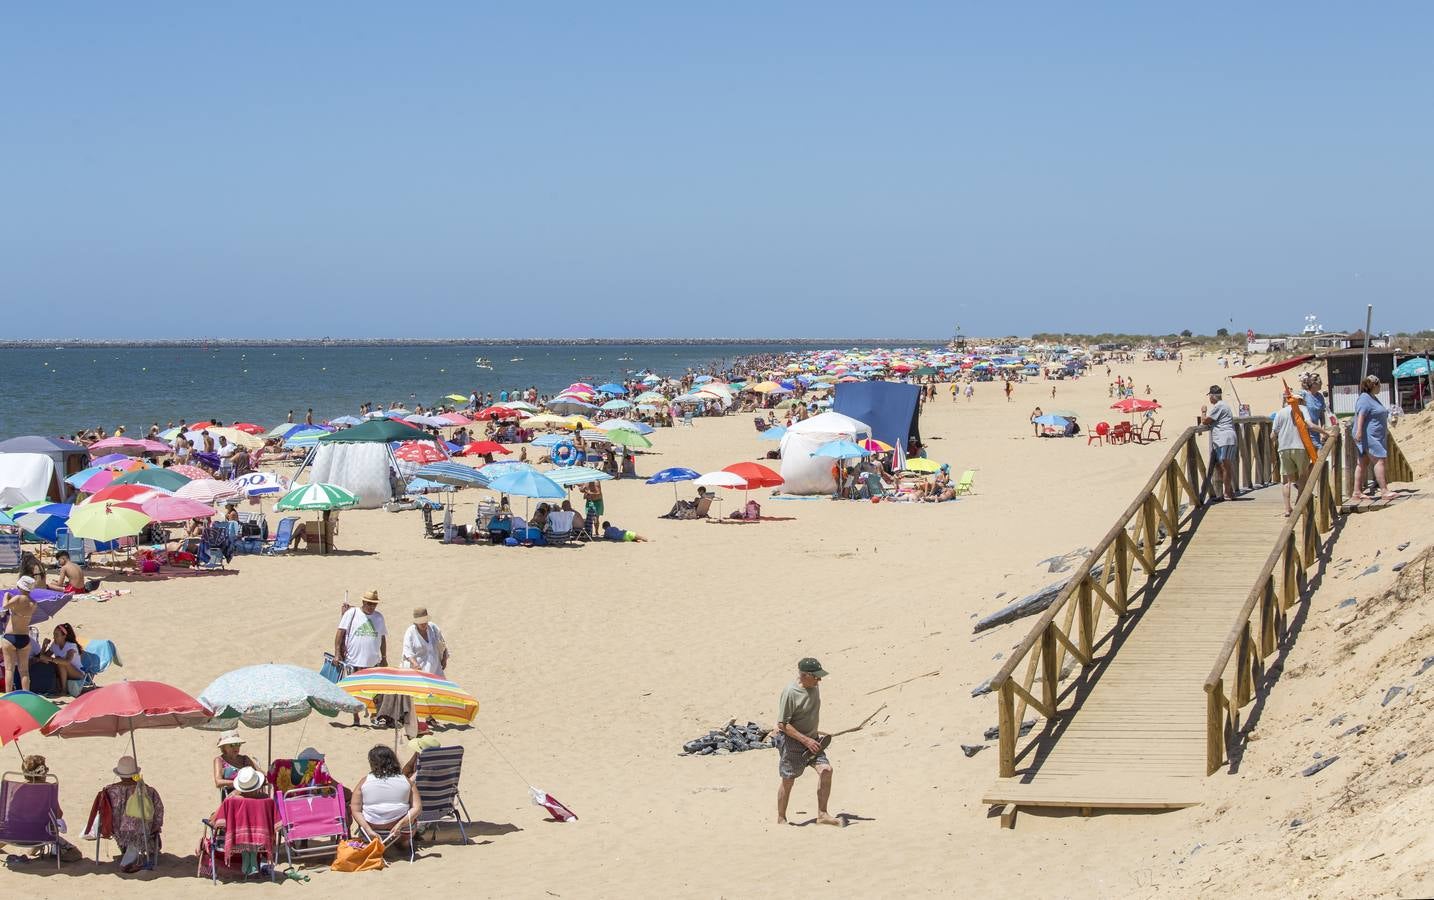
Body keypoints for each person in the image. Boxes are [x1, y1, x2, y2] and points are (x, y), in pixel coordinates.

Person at [775, 657, 840, 827]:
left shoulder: (815, 686)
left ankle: (822, 814)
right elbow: (783, 724)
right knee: (788, 780)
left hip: (814, 741)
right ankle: (781, 819)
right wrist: (805, 740)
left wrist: (812, 740)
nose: (820, 680)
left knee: (827, 770)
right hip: (793, 743)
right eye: (816, 677)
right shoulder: (790, 692)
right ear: (804, 676)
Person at [95, 755, 164, 872]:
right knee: (142, 824)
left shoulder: (108, 791)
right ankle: (139, 847)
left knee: (129, 829)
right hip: (140, 830)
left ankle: (125, 845)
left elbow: (102, 812)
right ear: (134, 773)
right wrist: (156, 827)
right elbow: (158, 812)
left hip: (115, 829)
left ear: (119, 774)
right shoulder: (147, 791)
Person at [350, 745, 422, 853]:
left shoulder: (364, 781)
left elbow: (355, 809)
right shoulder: (406, 781)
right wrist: (400, 824)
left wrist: (368, 829)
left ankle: (371, 841)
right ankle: (404, 843)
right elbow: (417, 808)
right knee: (413, 819)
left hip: (373, 827)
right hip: (401, 828)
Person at [208, 766, 274, 876]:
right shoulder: (266, 800)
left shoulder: (231, 801)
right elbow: (273, 820)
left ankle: (246, 856)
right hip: (261, 840)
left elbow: (218, 822)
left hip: (237, 840)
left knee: (242, 833)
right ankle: (253, 858)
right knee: (253, 830)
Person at [336, 590, 387, 726]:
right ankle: (356, 718)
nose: (371, 606)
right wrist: (337, 653)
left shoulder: (379, 617)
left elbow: (382, 637)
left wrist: (384, 656)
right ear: (363, 602)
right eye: (369, 603)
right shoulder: (351, 614)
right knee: (355, 691)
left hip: (373, 661)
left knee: (375, 690)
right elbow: (340, 633)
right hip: (354, 660)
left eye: (374, 604)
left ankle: (375, 715)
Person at [1272, 396, 1323, 517]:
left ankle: (1287, 509)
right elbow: (1310, 425)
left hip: (1284, 448)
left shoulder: (1280, 413)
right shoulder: (1302, 408)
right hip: (1300, 446)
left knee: (1286, 481)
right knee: (1303, 476)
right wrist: (1325, 432)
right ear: (1299, 401)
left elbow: (1272, 435)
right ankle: (1299, 504)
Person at [1352, 375, 1395, 501]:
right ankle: (1384, 490)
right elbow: (1361, 415)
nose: (1380, 387)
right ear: (1374, 385)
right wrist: (1359, 431)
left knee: (1362, 462)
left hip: (1374, 435)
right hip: (1368, 436)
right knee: (1379, 460)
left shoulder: (1372, 398)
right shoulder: (1365, 398)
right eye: (1379, 385)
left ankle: (1357, 492)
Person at [1200, 385, 1238, 502]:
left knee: (1225, 466)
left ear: (1213, 396)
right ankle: (1228, 491)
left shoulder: (1219, 406)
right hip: (1225, 439)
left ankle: (1227, 493)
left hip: (1224, 438)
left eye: (1210, 396)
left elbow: (1205, 421)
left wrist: (1203, 412)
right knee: (1222, 466)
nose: (1209, 399)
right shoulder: (1224, 405)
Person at [4, 576, 38, 691]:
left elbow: (4, 607)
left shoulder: (17, 598)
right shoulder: (33, 603)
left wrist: (6, 596)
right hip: (24, 637)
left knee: (9, 669)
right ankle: (26, 694)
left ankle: (8, 696)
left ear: (20, 586)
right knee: (24, 671)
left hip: (10, 637)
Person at [35, 622, 84, 696]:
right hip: (63, 672)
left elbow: (67, 661)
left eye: (56, 635)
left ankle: (63, 690)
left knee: (60, 661)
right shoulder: (55, 645)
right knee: (47, 662)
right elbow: (42, 658)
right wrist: (44, 647)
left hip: (77, 674)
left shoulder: (71, 646)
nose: (54, 637)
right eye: (54, 635)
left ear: (64, 636)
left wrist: (51, 659)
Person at [402, 607, 448, 678]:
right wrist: (415, 664)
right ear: (416, 623)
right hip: (418, 672)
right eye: (421, 623)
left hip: (436, 670)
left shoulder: (433, 628)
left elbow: (442, 643)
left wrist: (444, 658)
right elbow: (408, 652)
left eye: (425, 622)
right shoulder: (410, 632)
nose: (423, 624)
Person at [1299, 372, 1331, 447]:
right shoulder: (1304, 395)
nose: (1321, 383)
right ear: (1313, 384)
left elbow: (1322, 416)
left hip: (1316, 432)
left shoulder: (1320, 397)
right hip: (1304, 432)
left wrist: (1323, 431)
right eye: (1319, 382)